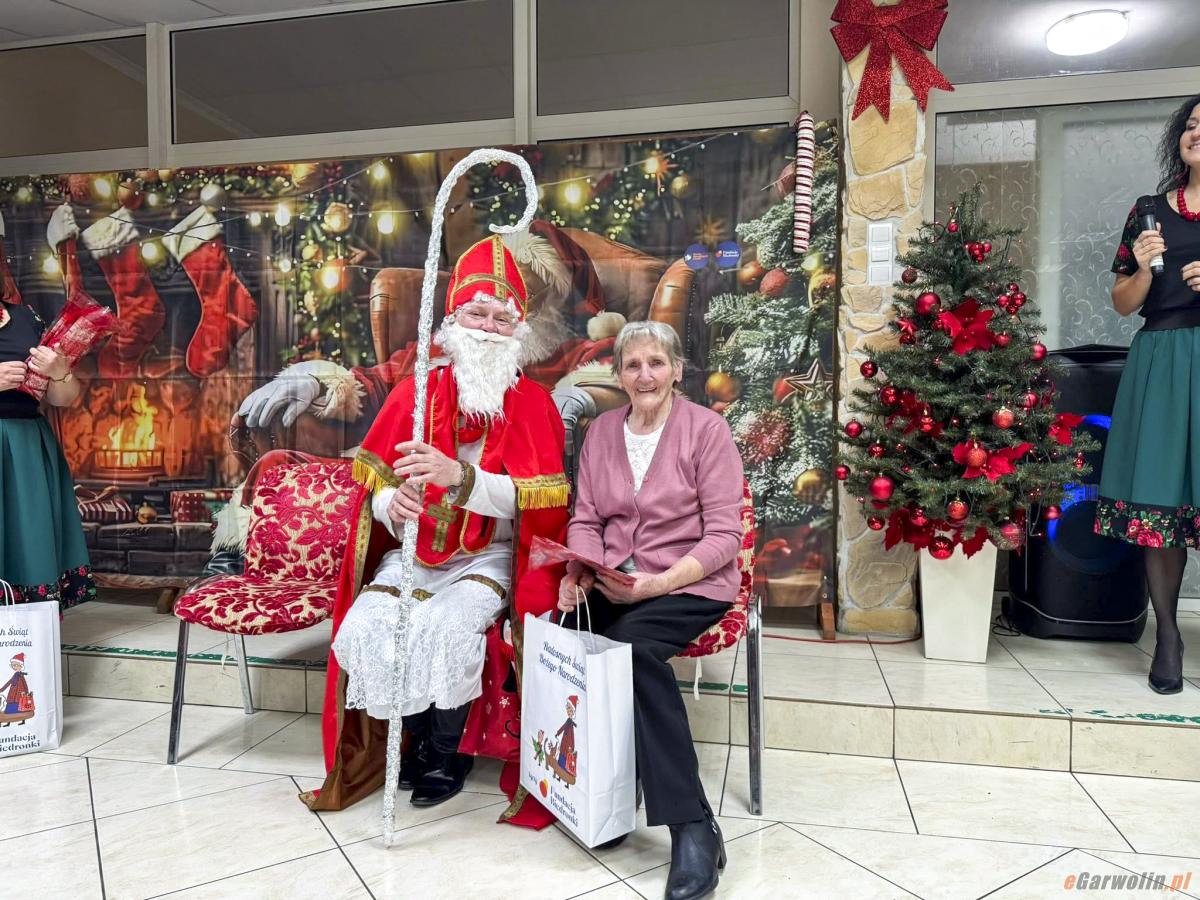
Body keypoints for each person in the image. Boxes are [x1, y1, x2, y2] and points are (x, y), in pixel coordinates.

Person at [305, 235, 570, 816]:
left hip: (488, 556)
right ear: (453, 321)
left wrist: (461, 478)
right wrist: (390, 505)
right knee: (371, 625)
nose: (489, 328)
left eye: (502, 319)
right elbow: (372, 489)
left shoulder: (534, 404)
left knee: (450, 629)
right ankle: (407, 741)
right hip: (414, 552)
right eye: (477, 313)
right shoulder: (414, 393)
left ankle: (446, 755)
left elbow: (541, 504)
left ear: (518, 331)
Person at [558, 320, 744, 900]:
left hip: (690, 584)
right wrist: (579, 573)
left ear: (677, 370)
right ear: (618, 374)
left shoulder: (707, 430)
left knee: (631, 652)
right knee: (563, 635)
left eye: (656, 363)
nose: (645, 375)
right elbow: (586, 519)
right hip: (615, 581)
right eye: (633, 365)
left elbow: (725, 536)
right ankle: (608, 799)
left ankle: (693, 825)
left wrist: (658, 583)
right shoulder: (601, 432)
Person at [1096, 93, 1200, 694]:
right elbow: (1122, 303)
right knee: (1161, 503)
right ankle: (1168, 636)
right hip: (1161, 356)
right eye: (1191, 125)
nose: (1196, 133)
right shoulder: (1150, 211)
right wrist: (1140, 268)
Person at [0, 284, 94, 608]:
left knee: (30, 541)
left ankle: (25, 632)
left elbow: (62, 398)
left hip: (25, 446)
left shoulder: (28, 318)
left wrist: (60, 373)